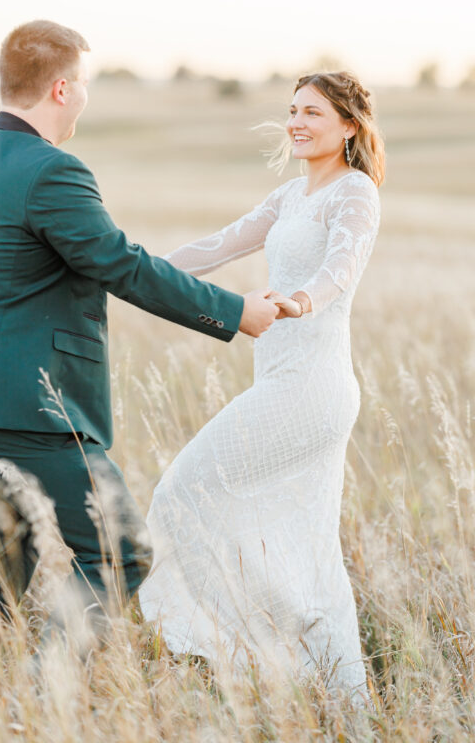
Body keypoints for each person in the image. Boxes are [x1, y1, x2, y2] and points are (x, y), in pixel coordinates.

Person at [0, 20, 278, 645]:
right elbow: (121, 265)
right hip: (26, 407)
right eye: (82, 83)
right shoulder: (51, 170)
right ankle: (47, 689)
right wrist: (236, 312)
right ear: (60, 89)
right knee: (121, 552)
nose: (84, 95)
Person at [139, 70, 384, 698]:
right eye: (293, 110)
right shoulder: (288, 196)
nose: (297, 123)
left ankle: (266, 647)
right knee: (304, 546)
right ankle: (320, 680)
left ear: (350, 126)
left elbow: (342, 267)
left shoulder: (354, 192)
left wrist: (300, 301)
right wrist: (131, 270)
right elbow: (217, 247)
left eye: (314, 114)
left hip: (312, 387)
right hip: (280, 379)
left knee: (181, 494)